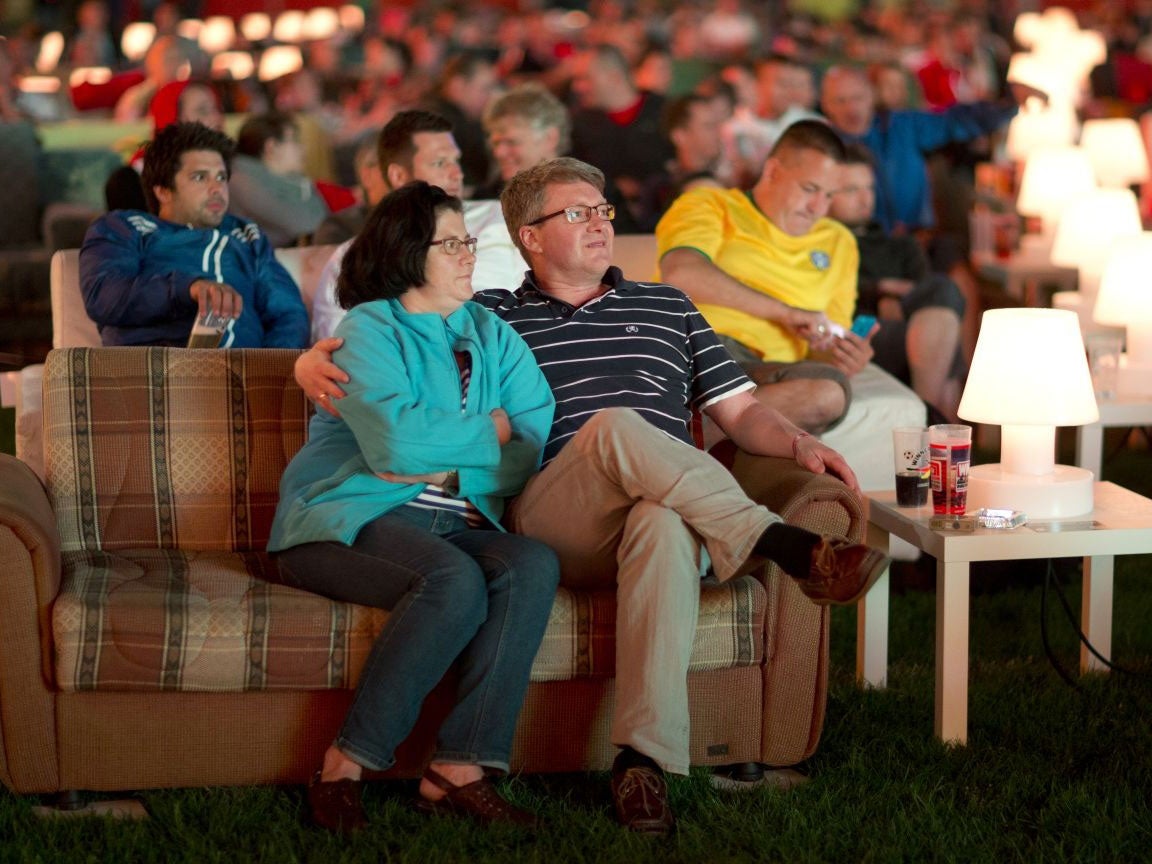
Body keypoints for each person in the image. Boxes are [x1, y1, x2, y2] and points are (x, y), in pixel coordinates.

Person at [295, 158, 891, 837]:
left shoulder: (668, 306)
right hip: (557, 518)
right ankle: (780, 544)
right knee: (615, 425)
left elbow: (741, 412)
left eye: (603, 210)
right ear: (530, 235)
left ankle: (642, 764)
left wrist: (793, 443)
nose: (600, 223)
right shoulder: (489, 315)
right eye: (576, 213)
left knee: (662, 520)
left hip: (665, 512)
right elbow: (396, 331)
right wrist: (308, 359)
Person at [270, 181, 559, 834]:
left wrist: (452, 454)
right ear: (408, 250)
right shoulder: (370, 327)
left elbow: (533, 438)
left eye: (468, 240)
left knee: (531, 563)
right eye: (450, 242)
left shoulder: (492, 331)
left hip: (452, 523)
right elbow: (392, 448)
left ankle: (459, 768)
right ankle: (342, 767)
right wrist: (489, 434)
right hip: (341, 524)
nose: (468, 253)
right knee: (452, 581)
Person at [656, 120, 866, 434]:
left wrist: (844, 354)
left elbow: (823, 344)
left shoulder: (839, 241)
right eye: (809, 189)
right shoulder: (710, 204)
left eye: (829, 195)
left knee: (830, 391)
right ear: (772, 172)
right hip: (698, 349)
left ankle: (697, 432)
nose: (817, 208)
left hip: (766, 373)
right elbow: (681, 272)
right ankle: (713, 432)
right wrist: (786, 313)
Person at [80, 121, 310, 349]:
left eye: (221, 177)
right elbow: (103, 296)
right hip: (156, 373)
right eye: (200, 177)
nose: (216, 188)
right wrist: (187, 288)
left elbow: (288, 315)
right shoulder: (126, 227)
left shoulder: (246, 235)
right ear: (163, 190)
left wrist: (271, 372)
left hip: (245, 375)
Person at [309, 110, 526, 343]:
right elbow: (336, 348)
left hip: (511, 351)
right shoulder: (356, 256)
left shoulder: (502, 215)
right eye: (440, 163)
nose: (457, 174)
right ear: (399, 176)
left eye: (456, 161)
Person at [829, 143, 966, 422]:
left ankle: (925, 417)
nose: (865, 198)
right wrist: (880, 290)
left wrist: (888, 298)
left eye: (869, 188)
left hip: (906, 325)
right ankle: (933, 421)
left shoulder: (900, 245)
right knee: (943, 339)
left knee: (943, 291)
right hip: (856, 330)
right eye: (852, 190)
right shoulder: (824, 243)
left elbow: (928, 294)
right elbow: (830, 292)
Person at [819, 64, 1038, 236]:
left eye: (857, 98)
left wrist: (1007, 105)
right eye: (840, 101)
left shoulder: (902, 125)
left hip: (918, 237)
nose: (851, 108)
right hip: (856, 243)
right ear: (826, 105)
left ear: (870, 96)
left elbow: (955, 121)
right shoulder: (821, 146)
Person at [476, 82, 639, 233]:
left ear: (550, 138)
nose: (499, 153)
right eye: (496, 143)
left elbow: (624, 249)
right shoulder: (486, 200)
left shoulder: (596, 193)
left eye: (511, 142)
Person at [568, 43, 674, 224]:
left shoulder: (665, 114)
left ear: (614, 77)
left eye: (585, 78)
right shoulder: (579, 125)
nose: (577, 87)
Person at [105, 78, 224, 212]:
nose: (216, 118)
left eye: (217, 109)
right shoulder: (129, 183)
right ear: (173, 118)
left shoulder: (230, 169)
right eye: (203, 111)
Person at [229, 111, 330, 247]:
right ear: (271, 147)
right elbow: (310, 224)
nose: (302, 148)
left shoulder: (288, 181)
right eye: (295, 140)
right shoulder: (242, 182)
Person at [421, 51, 500, 193]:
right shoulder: (447, 124)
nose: (490, 97)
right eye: (484, 89)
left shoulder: (432, 110)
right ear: (458, 86)